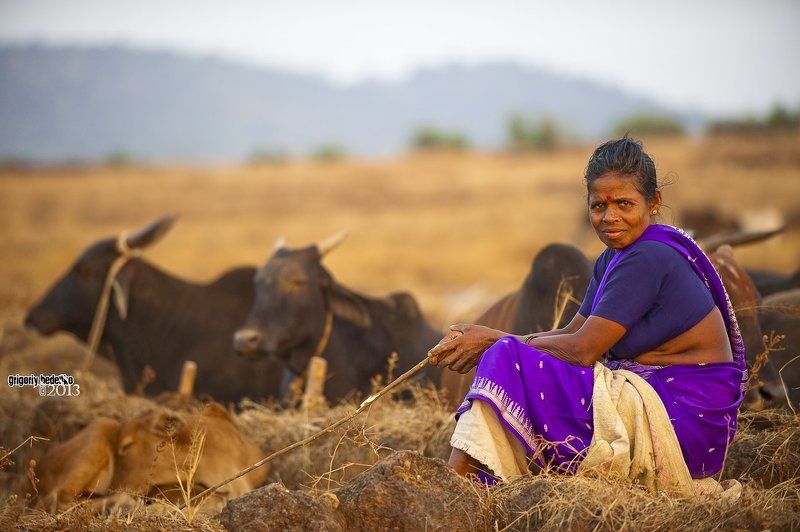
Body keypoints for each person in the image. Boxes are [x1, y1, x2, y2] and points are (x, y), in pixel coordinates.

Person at [428, 137, 746, 487]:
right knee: (508, 354)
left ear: (654, 202)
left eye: (624, 204)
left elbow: (582, 351)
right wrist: (494, 339)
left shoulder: (648, 256)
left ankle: (456, 486)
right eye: (599, 206)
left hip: (683, 421)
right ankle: (473, 482)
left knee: (506, 357)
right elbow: (572, 332)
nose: (610, 217)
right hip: (657, 401)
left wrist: (494, 341)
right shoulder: (613, 258)